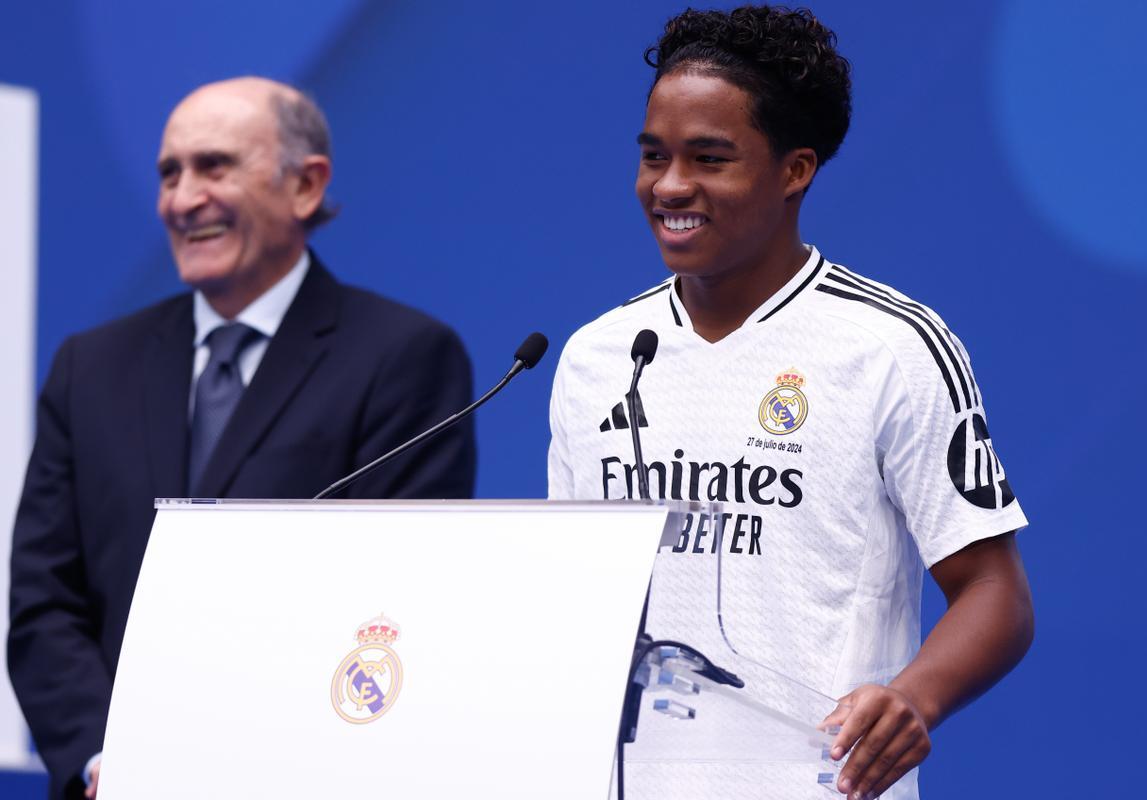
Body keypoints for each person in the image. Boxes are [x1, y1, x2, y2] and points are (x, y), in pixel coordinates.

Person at [547, 7, 1033, 799]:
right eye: (653, 157)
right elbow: (575, 597)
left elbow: (995, 592)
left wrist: (914, 698)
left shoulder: (890, 345)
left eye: (709, 158)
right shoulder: (596, 356)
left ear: (795, 170)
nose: (670, 186)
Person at [8, 77, 476, 800]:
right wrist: (110, 758)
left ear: (305, 185)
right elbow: (46, 601)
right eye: (169, 172)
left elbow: (387, 604)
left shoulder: (403, 357)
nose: (182, 198)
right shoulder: (90, 367)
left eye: (214, 166)